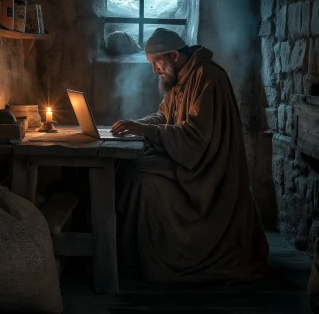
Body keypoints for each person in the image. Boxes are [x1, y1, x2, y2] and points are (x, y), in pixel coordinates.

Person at [111, 28, 269, 283]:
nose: (154, 71)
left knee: (142, 181)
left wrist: (146, 130)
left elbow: (195, 137)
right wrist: (136, 124)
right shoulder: (177, 78)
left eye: (156, 63)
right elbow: (164, 117)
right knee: (129, 169)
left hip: (206, 173)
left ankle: (147, 262)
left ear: (173, 55)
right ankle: (125, 257)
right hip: (186, 160)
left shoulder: (207, 77)